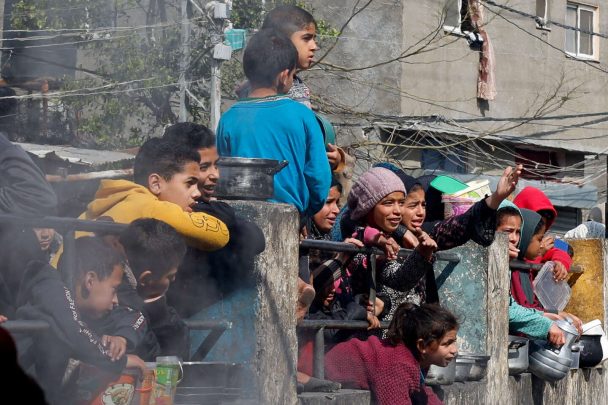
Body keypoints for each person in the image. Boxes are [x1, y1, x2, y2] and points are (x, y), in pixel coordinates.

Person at [14, 237, 146, 404]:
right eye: (114, 290)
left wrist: (122, 337)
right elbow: (74, 330)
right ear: (90, 281)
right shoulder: (51, 289)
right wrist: (120, 361)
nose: (116, 300)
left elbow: (136, 316)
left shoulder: (86, 307)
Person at [216, 28, 331, 218]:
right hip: (289, 217)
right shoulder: (303, 115)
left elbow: (221, 173)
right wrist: (305, 214)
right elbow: (319, 178)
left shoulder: (228, 119)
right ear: (284, 76)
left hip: (239, 220)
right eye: (293, 75)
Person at [162, 123, 265, 318]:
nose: (215, 175)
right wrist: (224, 216)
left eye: (216, 165)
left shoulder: (215, 210)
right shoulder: (170, 212)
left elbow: (257, 240)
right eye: (204, 167)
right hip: (189, 317)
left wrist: (224, 216)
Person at [65, 138, 229, 256]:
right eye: (189, 183)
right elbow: (220, 236)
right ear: (156, 184)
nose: (197, 193)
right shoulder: (149, 207)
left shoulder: (120, 199)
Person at [337, 167, 437, 326]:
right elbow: (398, 279)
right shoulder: (361, 244)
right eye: (388, 203)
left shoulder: (388, 238)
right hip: (359, 333)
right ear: (367, 206)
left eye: (401, 203)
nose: (398, 211)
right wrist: (422, 254)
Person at [258, 5, 346, 173]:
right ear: (278, 42)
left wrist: (334, 158)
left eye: (314, 39)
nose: (314, 46)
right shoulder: (264, 91)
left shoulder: (298, 85)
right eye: (306, 38)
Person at [324, 303, 456, 405]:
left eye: (453, 342)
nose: (454, 350)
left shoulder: (415, 359)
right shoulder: (397, 365)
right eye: (447, 343)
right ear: (422, 346)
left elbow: (421, 394)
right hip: (320, 370)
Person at [113, 218, 189, 361]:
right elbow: (163, 361)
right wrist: (158, 311)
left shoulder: (110, 284)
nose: (174, 279)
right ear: (146, 279)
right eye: (170, 276)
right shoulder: (126, 310)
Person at [496, 201, 566, 345]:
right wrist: (545, 322)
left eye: (518, 232)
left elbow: (566, 247)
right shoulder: (512, 263)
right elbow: (506, 310)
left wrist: (559, 260)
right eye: (508, 231)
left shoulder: (512, 260)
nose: (514, 238)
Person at [513, 186, 572, 281]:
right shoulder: (509, 245)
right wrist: (539, 255)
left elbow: (566, 249)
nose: (540, 226)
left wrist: (559, 262)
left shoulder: (543, 242)